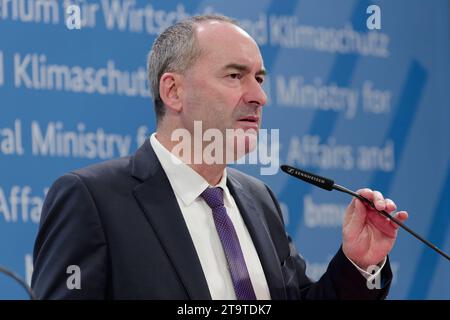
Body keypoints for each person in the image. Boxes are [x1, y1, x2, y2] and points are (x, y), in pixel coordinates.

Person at [31, 14, 408, 300]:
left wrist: (360, 263)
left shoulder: (258, 199)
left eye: (259, 78)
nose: (259, 96)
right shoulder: (92, 199)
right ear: (173, 91)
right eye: (235, 76)